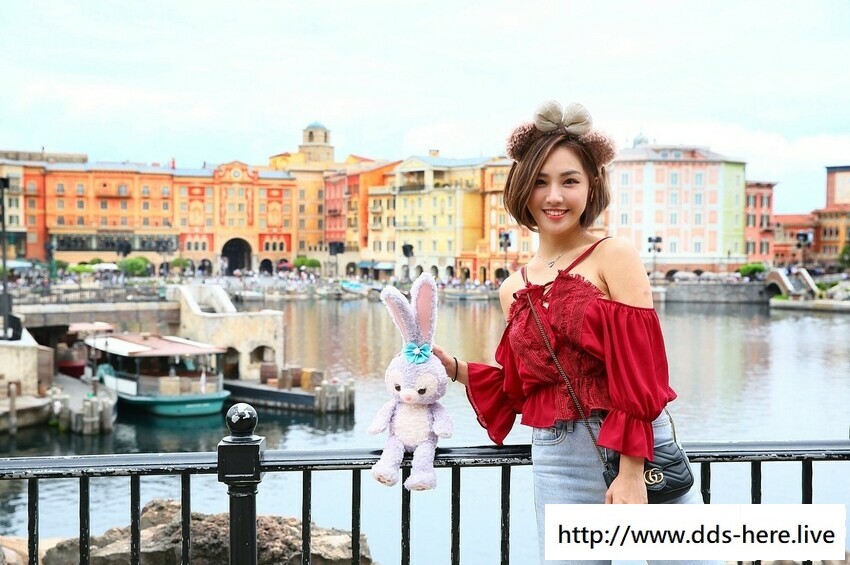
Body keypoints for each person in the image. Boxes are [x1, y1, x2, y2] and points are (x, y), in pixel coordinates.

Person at [433, 100, 718, 565]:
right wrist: (456, 369)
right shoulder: (512, 288)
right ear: (522, 189)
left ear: (591, 187)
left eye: (569, 181)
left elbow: (640, 370)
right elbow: (529, 387)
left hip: (637, 449)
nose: (554, 196)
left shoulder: (614, 255)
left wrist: (630, 471)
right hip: (558, 457)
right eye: (540, 181)